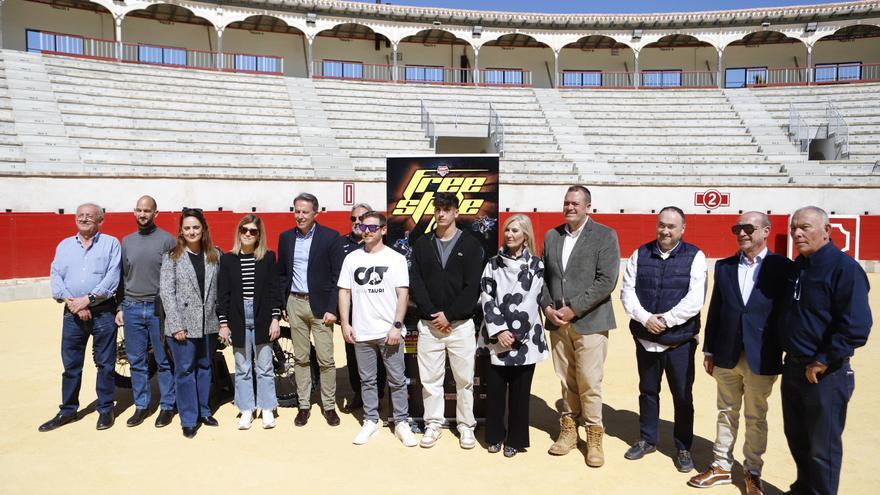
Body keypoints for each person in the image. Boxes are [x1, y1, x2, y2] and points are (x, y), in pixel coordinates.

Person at [688, 212, 792, 494]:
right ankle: (721, 466)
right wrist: (709, 348)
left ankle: (752, 471)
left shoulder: (784, 267)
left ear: (766, 231)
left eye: (748, 228)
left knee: (756, 417)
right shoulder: (724, 266)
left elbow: (788, 314)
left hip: (763, 354)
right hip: (726, 352)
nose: (742, 233)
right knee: (726, 411)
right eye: (738, 228)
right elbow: (717, 310)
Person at [779, 206, 871, 495]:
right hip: (793, 367)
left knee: (823, 448)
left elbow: (856, 326)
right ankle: (803, 489)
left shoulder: (845, 268)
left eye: (805, 227)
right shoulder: (799, 266)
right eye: (794, 227)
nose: (797, 233)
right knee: (798, 438)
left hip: (825, 374)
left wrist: (822, 360)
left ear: (827, 231)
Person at [621, 206, 707, 473]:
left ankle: (683, 447)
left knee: (682, 395)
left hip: (679, 341)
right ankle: (648, 439)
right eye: (661, 225)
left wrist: (665, 320)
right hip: (646, 338)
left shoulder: (696, 256)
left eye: (671, 226)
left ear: (683, 229)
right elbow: (627, 291)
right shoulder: (640, 253)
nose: (665, 231)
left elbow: (695, 300)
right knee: (648, 392)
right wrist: (646, 318)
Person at [540, 185, 620, 467]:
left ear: (588, 206)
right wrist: (548, 307)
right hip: (558, 323)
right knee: (566, 380)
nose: (570, 207)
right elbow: (544, 277)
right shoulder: (552, 236)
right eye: (566, 203)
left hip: (590, 321)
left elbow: (606, 280)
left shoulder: (604, 235)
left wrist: (573, 309)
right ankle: (569, 432)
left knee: (589, 380)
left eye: (575, 203)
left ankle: (595, 435)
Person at [409, 192, 483, 449]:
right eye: (438, 209)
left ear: (456, 213)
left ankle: (466, 426)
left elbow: (473, 287)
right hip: (429, 325)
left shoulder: (472, 244)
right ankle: (433, 424)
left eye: (446, 209)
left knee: (464, 381)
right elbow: (415, 282)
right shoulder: (422, 244)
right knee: (430, 380)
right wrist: (433, 313)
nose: (441, 214)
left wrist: (449, 315)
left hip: (460, 325)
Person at [40, 203, 121, 432]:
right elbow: (56, 276)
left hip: (103, 312)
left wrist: (88, 300)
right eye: (80, 215)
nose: (84, 219)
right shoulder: (64, 245)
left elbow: (112, 277)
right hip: (72, 312)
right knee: (71, 365)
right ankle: (68, 410)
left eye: (90, 216)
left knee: (105, 364)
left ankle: (105, 409)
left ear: (100, 221)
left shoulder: (111, 243)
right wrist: (74, 303)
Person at [338, 211, 417, 447]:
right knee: (367, 380)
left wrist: (396, 326)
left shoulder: (396, 259)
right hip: (362, 332)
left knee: (397, 379)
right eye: (364, 227)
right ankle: (370, 420)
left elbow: (403, 294)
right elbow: (344, 291)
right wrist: (345, 323)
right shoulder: (352, 258)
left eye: (372, 227)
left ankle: (401, 422)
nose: (366, 231)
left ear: (383, 230)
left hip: (388, 332)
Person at [478, 214, 549, 458]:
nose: (509, 235)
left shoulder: (537, 265)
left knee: (520, 395)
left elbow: (532, 301)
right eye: (507, 230)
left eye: (515, 231)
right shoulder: (492, 263)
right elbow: (487, 297)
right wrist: (499, 331)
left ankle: (516, 439)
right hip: (496, 338)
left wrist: (515, 334)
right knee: (495, 393)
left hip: (525, 341)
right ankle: (495, 436)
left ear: (526, 235)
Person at [277, 193, 343, 427]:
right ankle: (303, 405)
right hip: (294, 303)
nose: (300, 216)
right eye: (297, 211)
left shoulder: (331, 237)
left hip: (321, 307)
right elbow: (282, 274)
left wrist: (332, 308)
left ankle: (328, 406)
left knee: (326, 360)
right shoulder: (285, 238)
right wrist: (283, 302)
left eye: (305, 212)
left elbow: (338, 277)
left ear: (316, 213)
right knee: (301, 358)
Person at [115, 195, 178, 428]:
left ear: (155, 214)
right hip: (131, 307)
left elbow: (175, 277)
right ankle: (141, 405)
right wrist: (120, 306)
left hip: (157, 308)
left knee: (163, 360)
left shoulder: (168, 241)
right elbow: (122, 277)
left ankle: (167, 406)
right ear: (134, 212)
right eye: (139, 210)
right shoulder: (127, 241)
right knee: (136, 361)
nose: (143, 214)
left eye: (147, 211)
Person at [159, 207, 222, 438]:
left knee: (205, 368)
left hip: (208, 324)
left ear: (203, 229)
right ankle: (188, 418)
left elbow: (219, 291)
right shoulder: (172, 257)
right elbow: (167, 293)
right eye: (187, 228)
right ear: (181, 231)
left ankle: (204, 411)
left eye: (196, 227)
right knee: (185, 371)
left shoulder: (215, 255)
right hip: (182, 327)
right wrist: (175, 325)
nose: (192, 231)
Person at [217, 214, 283, 430]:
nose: (247, 234)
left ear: (259, 235)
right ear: (238, 232)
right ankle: (246, 408)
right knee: (243, 367)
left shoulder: (267, 257)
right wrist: (224, 323)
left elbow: (274, 290)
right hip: (237, 316)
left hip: (262, 315)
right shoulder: (227, 260)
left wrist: (275, 319)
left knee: (264, 367)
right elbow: (223, 293)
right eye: (244, 230)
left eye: (253, 231)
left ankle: (266, 408)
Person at [340, 203, 386, 412]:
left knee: (380, 357)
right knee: (353, 356)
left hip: (377, 311)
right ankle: (359, 393)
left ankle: (380, 394)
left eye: (361, 218)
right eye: (353, 219)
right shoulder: (341, 245)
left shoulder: (383, 247)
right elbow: (337, 283)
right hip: (353, 313)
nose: (357, 222)